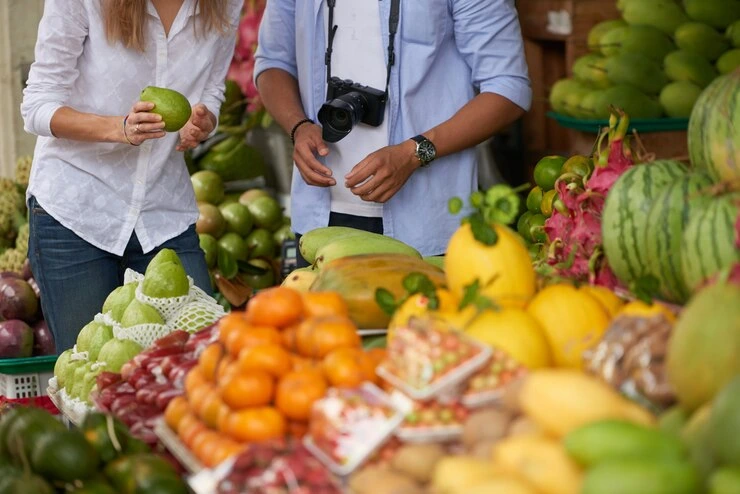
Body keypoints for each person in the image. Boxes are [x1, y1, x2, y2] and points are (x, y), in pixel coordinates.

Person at [20, 0, 242, 354]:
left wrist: (203, 122)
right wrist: (119, 128)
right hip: (77, 211)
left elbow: (212, 91)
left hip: (163, 212)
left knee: (197, 363)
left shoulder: (223, 4)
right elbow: (37, 105)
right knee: (92, 377)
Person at [254, 0, 531, 266]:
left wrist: (415, 153)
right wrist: (298, 126)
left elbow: (508, 88)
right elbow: (273, 62)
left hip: (424, 228)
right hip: (318, 222)